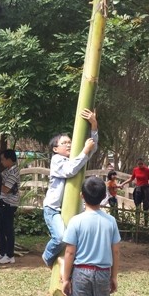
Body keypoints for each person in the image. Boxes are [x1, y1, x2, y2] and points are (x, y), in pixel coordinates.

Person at [42, 108, 98, 268]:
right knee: (60, 238)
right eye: (64, 143)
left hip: (74, 209)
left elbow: (91, 148)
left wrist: (94, 125)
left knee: (77, 241)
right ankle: (47, 257)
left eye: (70, 142)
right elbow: (69, 170)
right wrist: (85, 151)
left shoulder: (76, 158)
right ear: (55, 149)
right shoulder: (57, 160)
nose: (68, 144)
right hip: (53, 209)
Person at [0, 149, 20, 265]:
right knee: (0, 228)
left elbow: (6, 189)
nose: (2, 162)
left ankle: (10, 255)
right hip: (3, 202)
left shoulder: (13, 172)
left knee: (8, 229)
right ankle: (1, 252)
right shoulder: (7, 170)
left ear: (10, 159)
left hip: (9, 204)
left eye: (3, 159)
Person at [119, 158, 149, 224]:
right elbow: (131, 178)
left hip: (145, 189)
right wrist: (123, 183)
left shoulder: (148, 170)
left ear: (143, 163)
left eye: (141, 164)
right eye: (139, 164)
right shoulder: (135, 170)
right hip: (138, 189)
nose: (140, 165)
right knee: (137, 206)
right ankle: (137, 223)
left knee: (146, 207)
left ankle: (146, 223)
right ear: (137, 164)